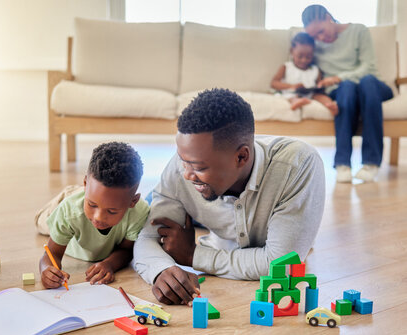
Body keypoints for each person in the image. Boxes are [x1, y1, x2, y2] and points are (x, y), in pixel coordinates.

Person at [133, 88, 325, 305]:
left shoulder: (298, 165)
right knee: (137, 215)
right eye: (182, 160)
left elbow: (280, 264)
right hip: (207, 203)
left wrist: (194, 256)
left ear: (241, 156)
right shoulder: (181, 170)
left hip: (219, 215)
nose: (186, 173)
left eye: (197, 166)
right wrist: (161, 270)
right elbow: (149, 237)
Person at [302, 4, 393, 183]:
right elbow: (303, 69)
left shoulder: (358, 31)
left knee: (366, 82)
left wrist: (337, 77)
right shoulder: (314, 45)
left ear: (328, 17)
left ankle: (371, 163)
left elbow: (368, 67)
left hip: (371, 86)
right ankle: (343, 164)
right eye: (315, 36)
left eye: (320, 31)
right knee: (347, 88)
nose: (320, 38)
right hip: (344, 92)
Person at [38, 142, 149, 288]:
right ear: (85, 183)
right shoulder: (69, 211)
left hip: (86, 199)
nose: (98, 217)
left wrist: (109, 264)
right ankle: (72, 192)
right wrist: (46, 270)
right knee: (42, 223)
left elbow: (127, 250)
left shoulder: (139, 212)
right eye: (92, 205)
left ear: (133, 201)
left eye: (112, 211)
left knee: (91, 202)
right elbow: (52, 254)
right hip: (66, 207)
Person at [271, 32, 338, 115]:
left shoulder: (315, 70)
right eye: (300, 56)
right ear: (292, 51)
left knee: (320, 97)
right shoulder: (286, 67)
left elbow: (319, 86)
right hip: (291, 93)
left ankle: (330, 105)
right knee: (290, 97)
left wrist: (321, 85)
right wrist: (292, 86)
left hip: (310, 94)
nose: (304, 60)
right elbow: (274, 83)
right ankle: (296, 101)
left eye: (308, 57)